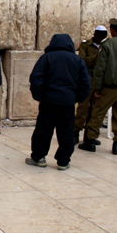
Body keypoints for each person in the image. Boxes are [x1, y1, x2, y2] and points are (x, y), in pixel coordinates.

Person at [27, 34, 91, 170]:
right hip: (67, 103)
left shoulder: (47, 58)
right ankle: (63, 161)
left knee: (43, 131)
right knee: (66, 132)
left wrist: (40, 96)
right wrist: (76, 98)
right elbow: (85, 83)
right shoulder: (77, 60)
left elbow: (36, 78)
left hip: (48, 101)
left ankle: (39, 157)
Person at [79, 18, 117, 155]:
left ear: (112, 30)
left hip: (108, 88)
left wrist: (97, 88)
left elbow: (100, 69)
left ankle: (90, 142)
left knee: (97, 114)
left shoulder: (107, 45)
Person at [73, 25, 108, 144]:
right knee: (83, 108)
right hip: (87, 80)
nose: (101, 38)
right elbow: (83, 61)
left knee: (95, 110)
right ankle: (75, 132)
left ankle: (89, 136)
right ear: (95, 34)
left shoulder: (106, 46)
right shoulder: (86, 45)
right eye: (99, 35)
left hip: (100, 81)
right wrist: (98, 54)